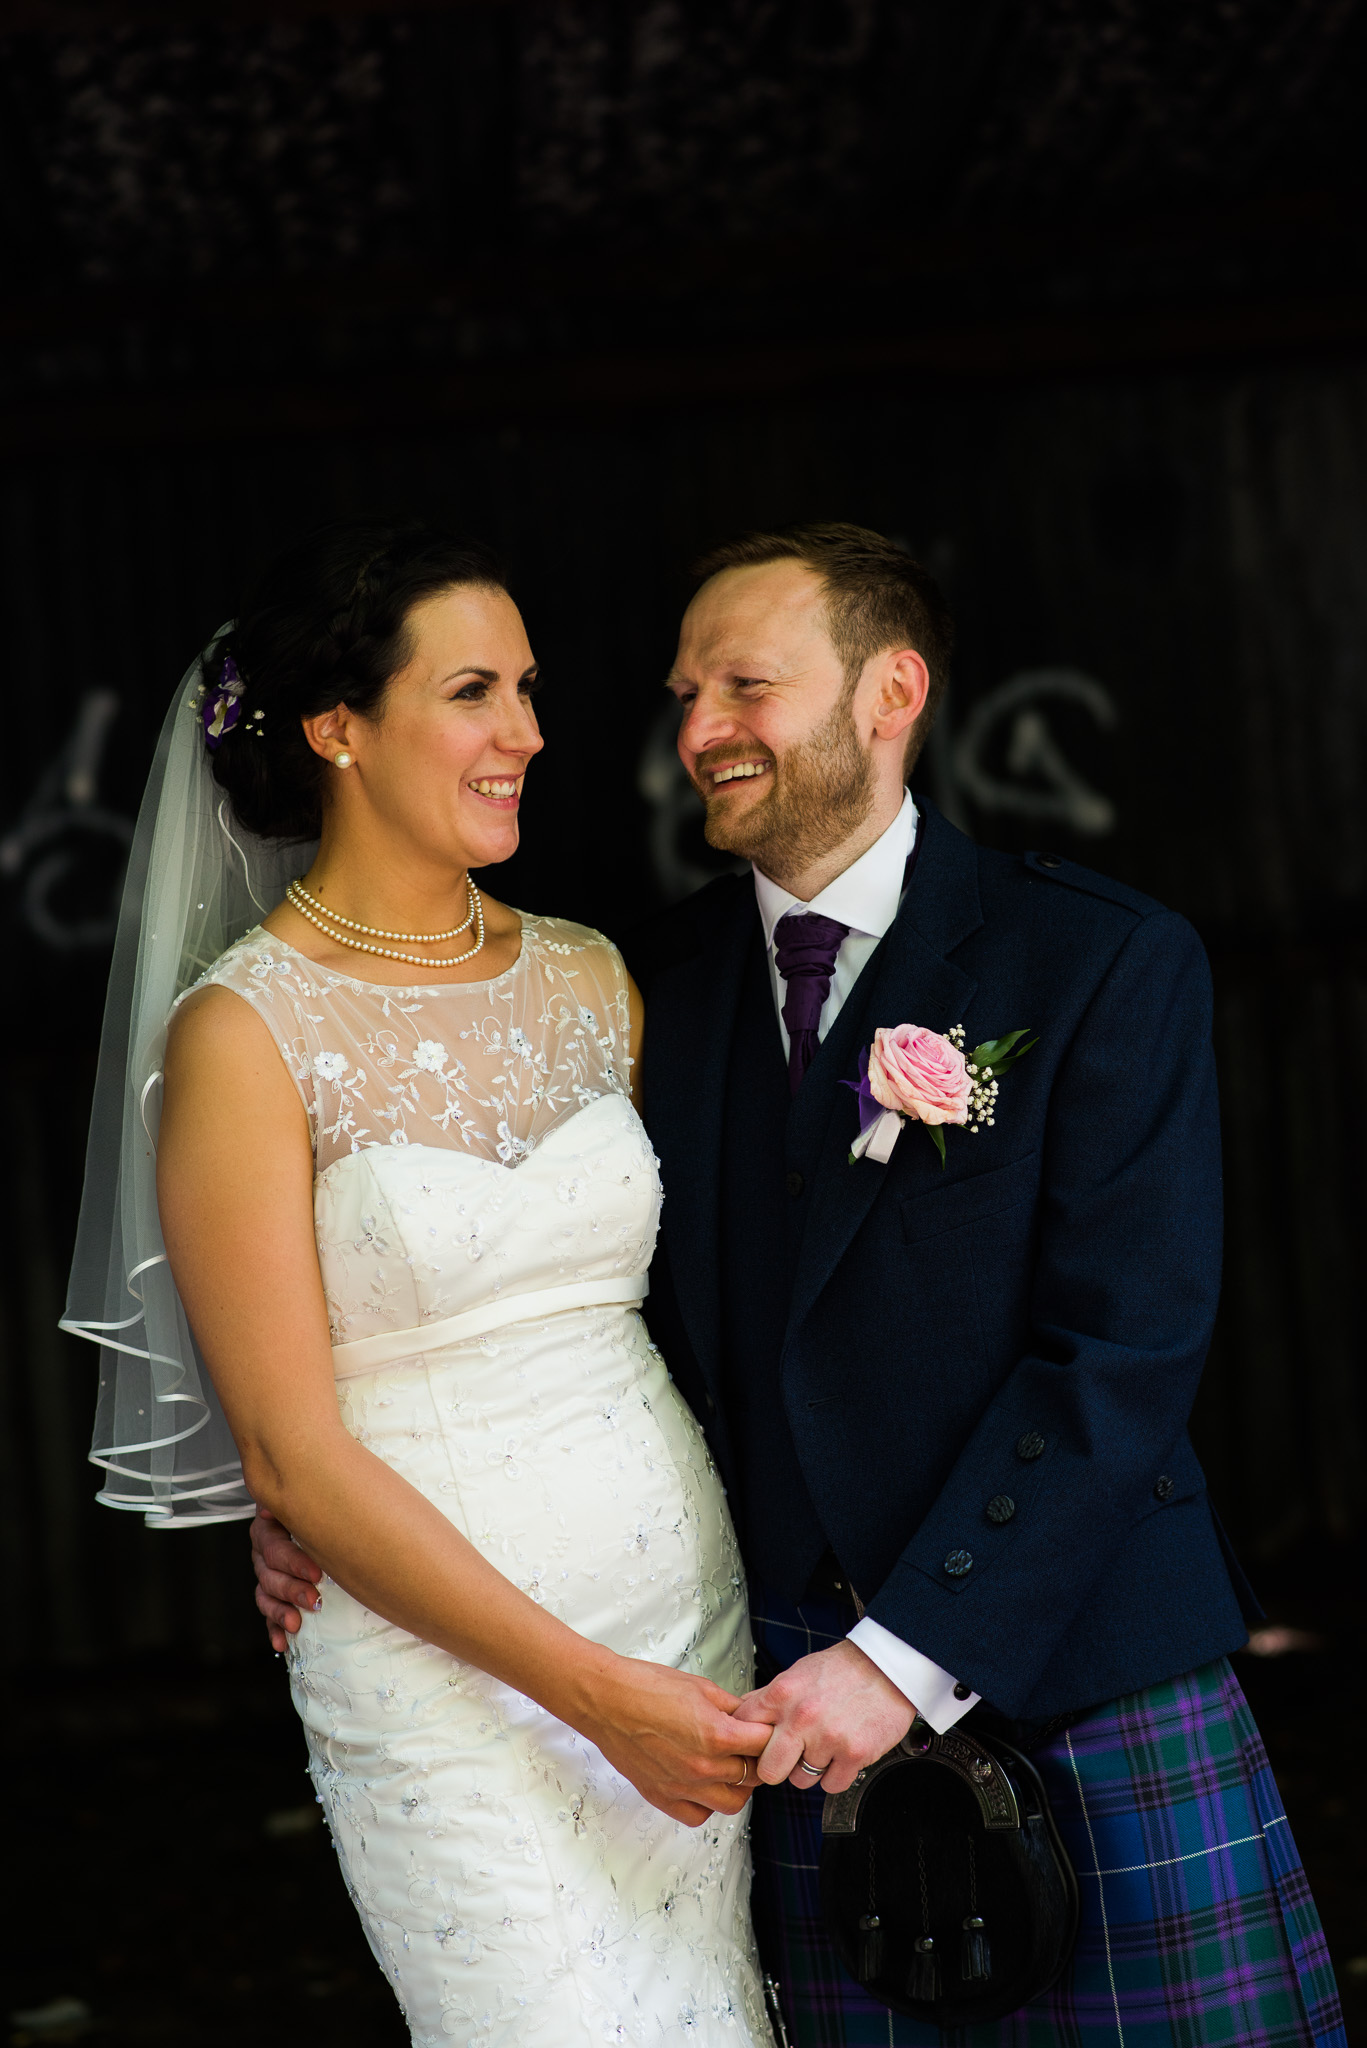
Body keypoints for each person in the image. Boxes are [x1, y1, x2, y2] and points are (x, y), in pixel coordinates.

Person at [254, 521, 1347, 2048]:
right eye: (685, 694)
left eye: (746, 687)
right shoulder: (646, 993)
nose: (700, 731)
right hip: (779, 1718)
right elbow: (563, 1306)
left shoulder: (1100, 959)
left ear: (890, 691)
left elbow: (1124, 1357)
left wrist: (903, 1660)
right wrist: (310, 1479)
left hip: (1083, 1678)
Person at [68, 517, 781, 2048]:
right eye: (474, 691)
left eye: (526, 690)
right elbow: (289, 1449)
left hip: (685, 1621)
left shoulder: (595, 976)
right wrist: (597, 1698)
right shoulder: (241, 1036)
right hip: (447, 1679)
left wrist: (656, 1682)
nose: (526, 732)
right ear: (338, 727)